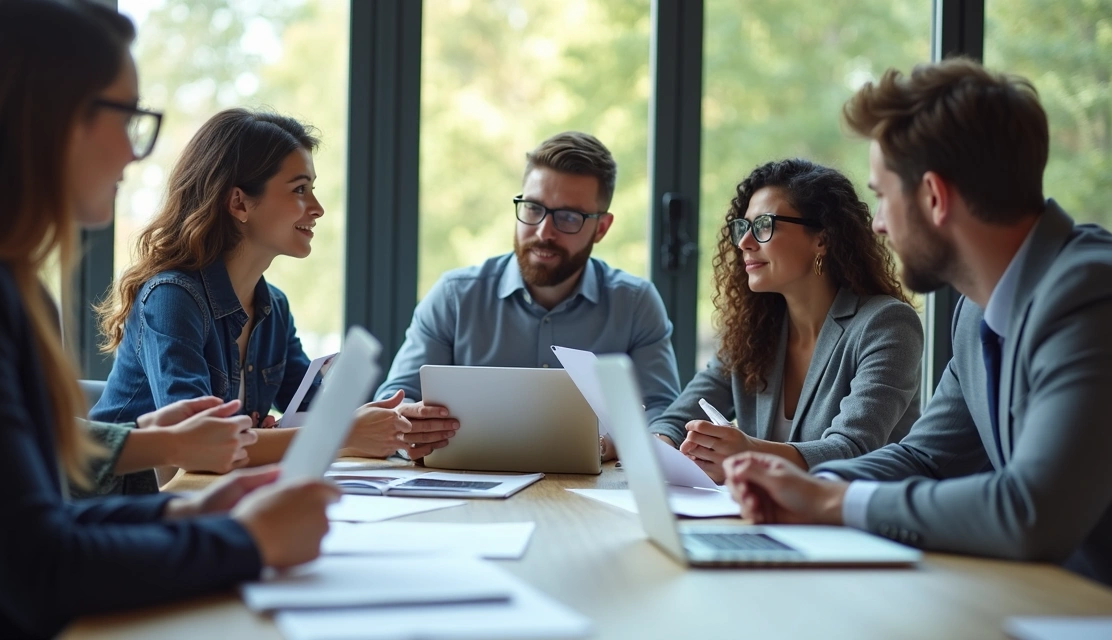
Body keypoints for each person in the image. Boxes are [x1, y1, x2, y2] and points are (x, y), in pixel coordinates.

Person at [0, 1, 338, 636]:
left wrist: (184, 518)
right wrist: (249, 543)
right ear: (47, 119)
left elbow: (38, 523)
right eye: (128, 118)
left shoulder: (2, 286)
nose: (136, 155)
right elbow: (37, 567)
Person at [722, 58, 1112, 586]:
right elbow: (925, 457)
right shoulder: (976, 313)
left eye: (882, 196)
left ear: (933, 197)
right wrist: (801, 483)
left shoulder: (1091, 294)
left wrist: (834, 498)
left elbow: (1031, 511)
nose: (877, 224)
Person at [90, 108, 457, 494]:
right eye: (300, 189)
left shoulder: (273, 307)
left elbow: (314, 411)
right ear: (239, 204)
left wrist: (394, 421)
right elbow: (197, 449)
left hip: (205, 504)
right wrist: (347, 431)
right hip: (122, 515)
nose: (317, 208)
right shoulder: (171, 299)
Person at [375, 132, 681, 456]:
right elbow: (398, 398)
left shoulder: (635, 304)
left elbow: (664, 413)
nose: (543, 232)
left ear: (601, 228)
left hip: (592, 494)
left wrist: (609, 445)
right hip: (469, 490)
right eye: (533, 208)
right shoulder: (455, 297)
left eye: (568, 218)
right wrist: (410, 425)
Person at [644, 159, 922, 482]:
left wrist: (749, 452)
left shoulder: (888, 325)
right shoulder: (751, 331)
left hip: (857, 524)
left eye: (763, 225)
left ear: (822, 238)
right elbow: (675, 420)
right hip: (761, 519)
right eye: (743, 227)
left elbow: (851, 450)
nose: (745, 243)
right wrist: (659, 449)